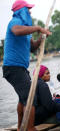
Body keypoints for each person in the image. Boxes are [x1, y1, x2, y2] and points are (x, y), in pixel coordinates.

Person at [2, 0, 51, 130]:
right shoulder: (15, 22)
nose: (30, 12)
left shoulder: (26, 29)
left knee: (23, 98)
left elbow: (33, 48)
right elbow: (17, 31)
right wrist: (37, 28)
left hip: (20, 68)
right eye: (27, 9)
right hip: (12, 68)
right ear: (21, 11)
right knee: (31, 97)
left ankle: (20, 127)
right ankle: (29, 128)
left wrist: (41, 37)